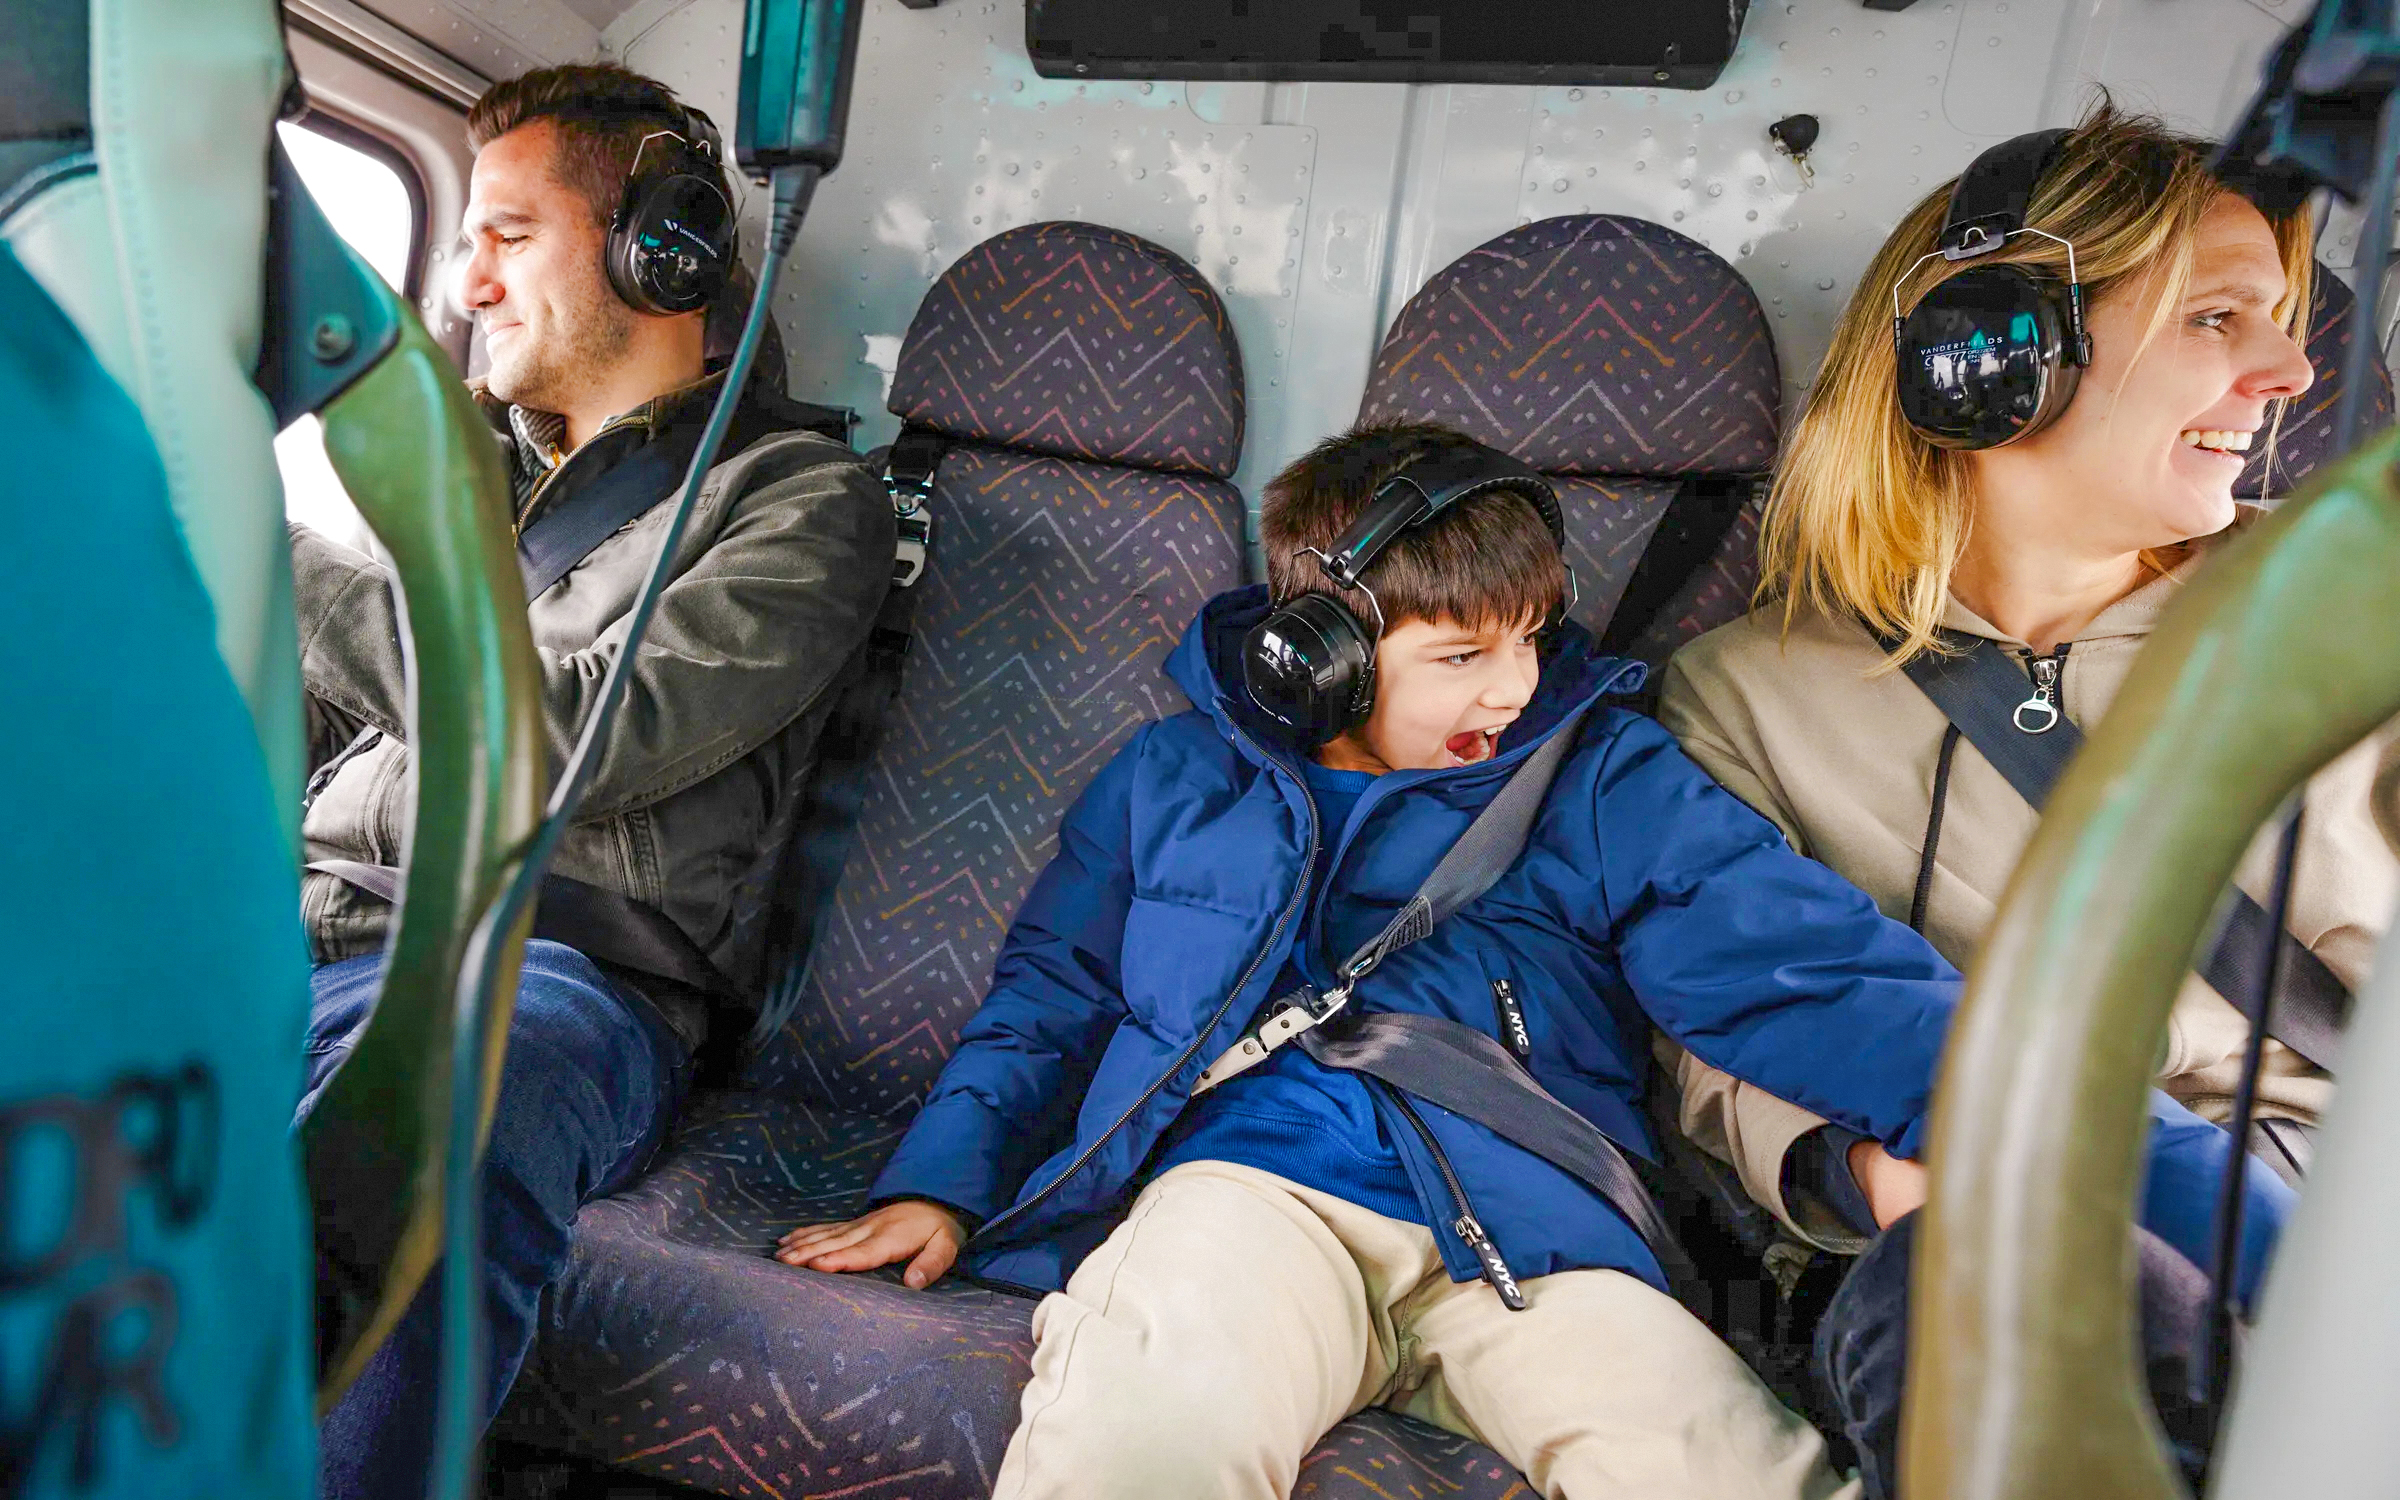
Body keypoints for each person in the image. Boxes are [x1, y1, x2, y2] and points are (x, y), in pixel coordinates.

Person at [772, 422, 2283, 1500]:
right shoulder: (1167, 783)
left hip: (1537, 1238)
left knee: (1724, 1468)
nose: (1511, 688)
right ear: (1321, 655)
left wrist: (2224, 1215)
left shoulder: (1604, 781)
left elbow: (1823, 985)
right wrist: (942, 1183)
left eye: (1533, 638)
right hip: (1250, 1197)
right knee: (1142, 1428)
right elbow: (1050, 997)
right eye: (1459, 656)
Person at [1654, 99, 2388, 1495]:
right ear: (1992, 361)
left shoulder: (2358, 609)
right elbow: (1715, 1037)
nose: (2294, 371)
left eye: (2282, 320)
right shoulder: (1745, 695)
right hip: (1972, 1222)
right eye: (2219, 319)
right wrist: (1887, 1180)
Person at [291, 64, 894, 1500]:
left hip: (543, 972)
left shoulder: (802, 506)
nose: (468, 285)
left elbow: (578, 740)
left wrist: (280, 564)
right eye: (463, 243)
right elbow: (295, 725)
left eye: (508, 235)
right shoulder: (449, 474)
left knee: (447, 1101)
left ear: (659, 251)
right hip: (300, 923)